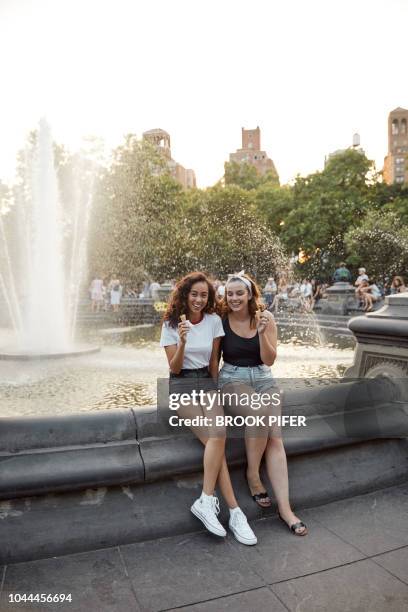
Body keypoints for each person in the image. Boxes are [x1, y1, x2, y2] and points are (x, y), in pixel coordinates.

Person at [160, 271, 257, 545]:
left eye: (204, 295)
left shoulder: (214, 321)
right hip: (181, 385)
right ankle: (235, 511)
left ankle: (209, 501)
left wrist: (214, 394)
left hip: (206, 381)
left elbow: (214, 362)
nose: (199, 300)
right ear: (185, 295)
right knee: (216, 440)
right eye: (194, 294)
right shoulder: (170, 324)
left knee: (218, 436)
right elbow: (175, 367)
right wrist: (183, 341)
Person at [218, 272, 308, 536]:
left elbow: (269, 360)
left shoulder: (266, 318)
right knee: (258, 412)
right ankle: (253, 475)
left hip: (264, 378)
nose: (234, 298)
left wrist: (261, 334)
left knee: (275, 438)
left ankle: (285, 509)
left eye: (239, 293)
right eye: (230, 293)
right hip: (232, 379)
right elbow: (214, 360)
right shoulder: (221, 321)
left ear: (249, 295)